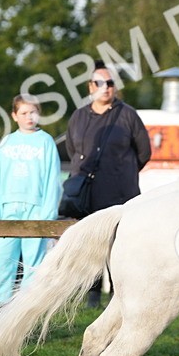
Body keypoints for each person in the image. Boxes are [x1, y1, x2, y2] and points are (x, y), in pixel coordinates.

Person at [65, 61, 151, 306]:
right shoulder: (79, 117)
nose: (105, 88)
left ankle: (118, 294)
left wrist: (121, 172)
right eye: (99, 83)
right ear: (90, 86)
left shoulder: (128, 115)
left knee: (119, 245)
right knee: (91, 245)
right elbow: (73, 149)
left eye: (110, 83)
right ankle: (91, 295)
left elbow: (144, 152)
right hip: (87, 195)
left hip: (120, 193)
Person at [0, 95, 61, 304]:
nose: (29, 117)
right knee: (3, 259)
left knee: (33, 262)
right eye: (24, 113)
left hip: (36, 210)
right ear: (14, 116)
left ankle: (28, 308)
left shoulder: (45, 142)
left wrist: (47, 215)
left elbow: (52, 180)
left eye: (33, 112)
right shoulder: (7, 142)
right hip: (7, 209)